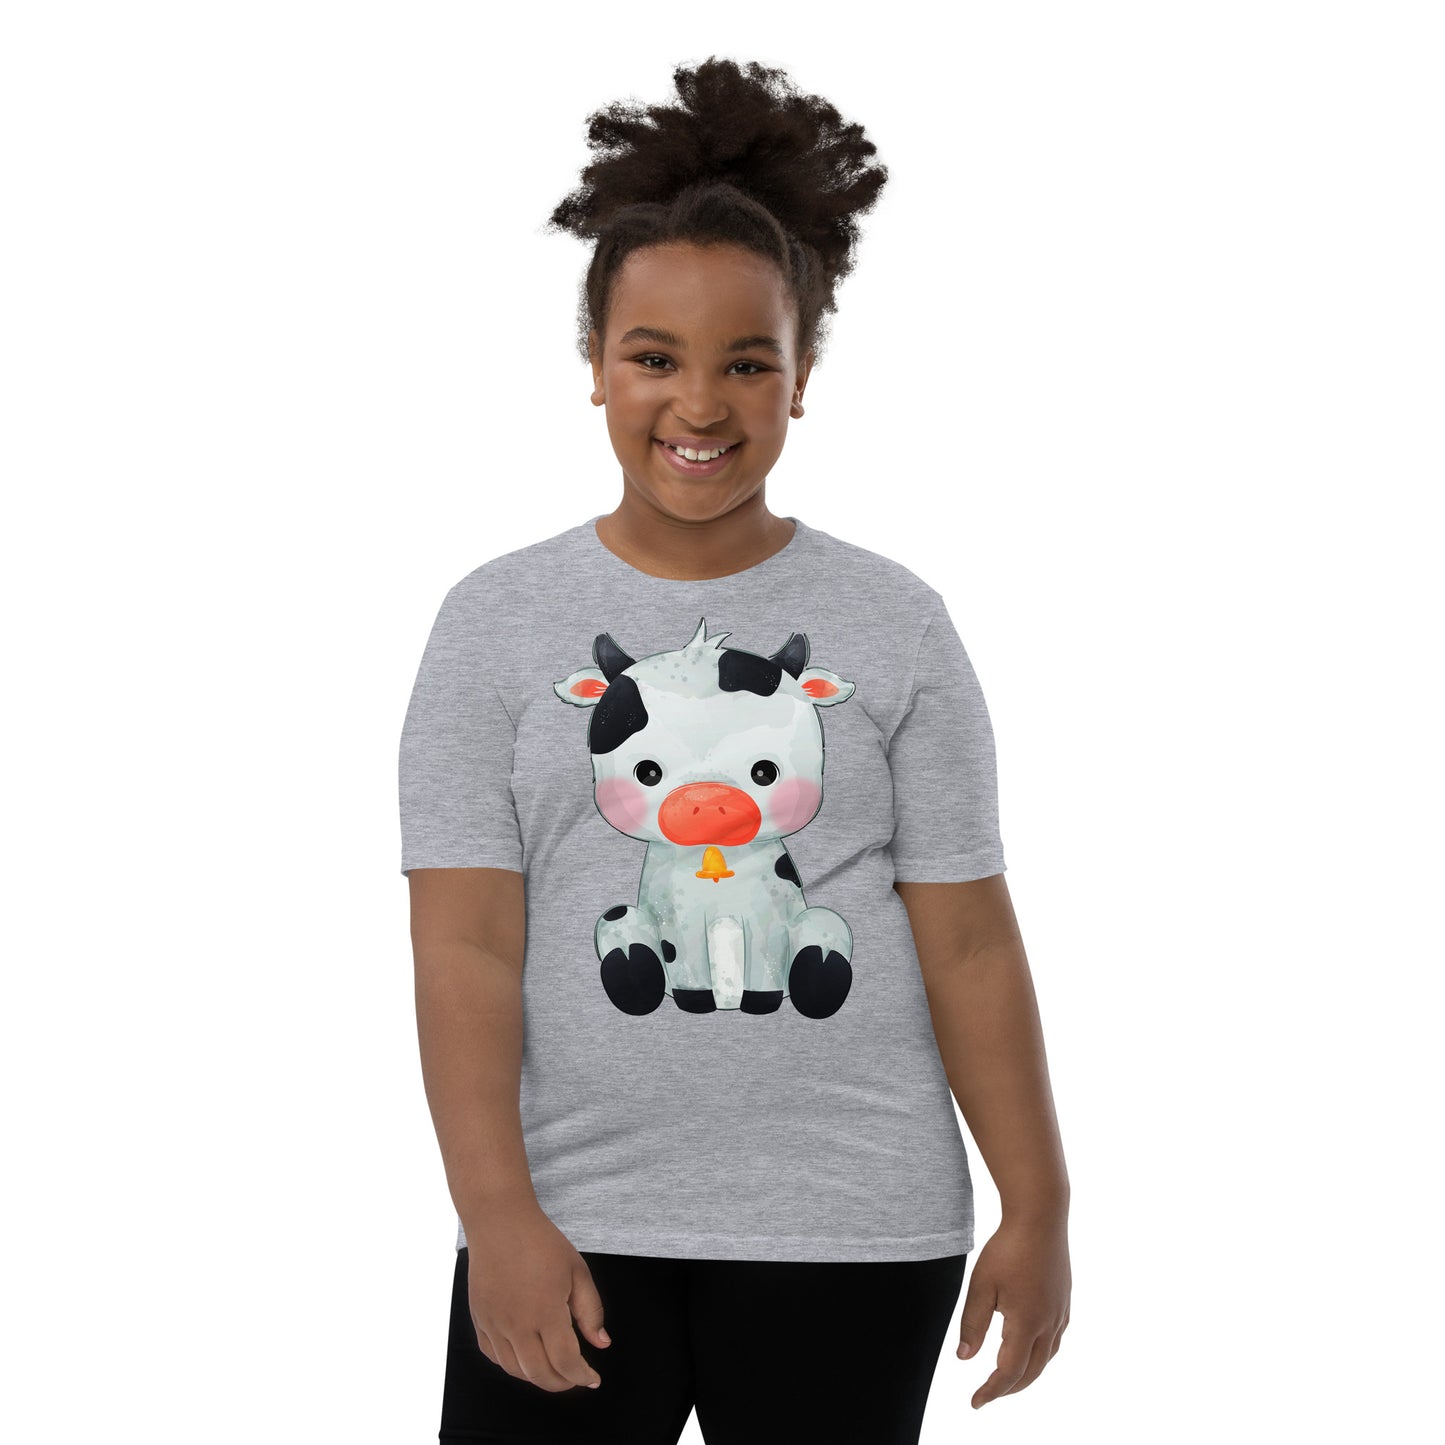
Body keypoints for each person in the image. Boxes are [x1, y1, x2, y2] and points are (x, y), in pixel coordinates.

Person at [398, 56, 1071, 1445]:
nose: (698, 405)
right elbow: (463, 940)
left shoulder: (895, 625)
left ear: (800, 377)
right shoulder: (494, 624)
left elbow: (967, 942)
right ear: (595, 366)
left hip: (855, 1223)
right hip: (574, 1217)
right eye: (654, 357)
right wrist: (496, 1212)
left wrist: (1039, 1201)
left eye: (746, 363)